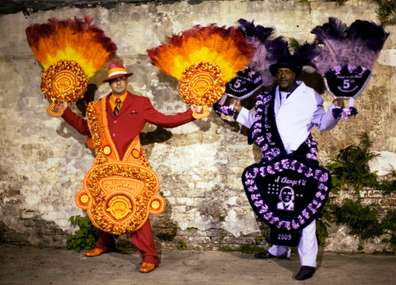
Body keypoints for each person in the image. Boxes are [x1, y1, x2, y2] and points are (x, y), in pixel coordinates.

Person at [56, 62, 201, 273]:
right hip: (107, 163)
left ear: (126, 81)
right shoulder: (98, 107)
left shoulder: (140, 103)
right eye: (114, 80)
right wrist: (64, 112)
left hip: (132, 164)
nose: (118, 82)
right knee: (103, 203)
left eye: (122, 79)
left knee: (137, 207)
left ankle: (149, 256)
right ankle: (105, 243)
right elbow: (85, 128)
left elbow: (165, 120)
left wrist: (191, 114)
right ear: (110, 83)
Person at [231, 60, 355, 281]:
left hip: (300, 158)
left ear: (295, 74)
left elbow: (323, 124)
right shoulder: (266, 97)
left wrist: (335, 110)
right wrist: (237, 110)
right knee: (276, 204)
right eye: (280, 72)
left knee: (305, 209)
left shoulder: (311, 96)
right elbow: (255, 121)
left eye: (287, 71)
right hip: (275, 159)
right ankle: (279, 248)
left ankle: (308, 261)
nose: (283, 75)